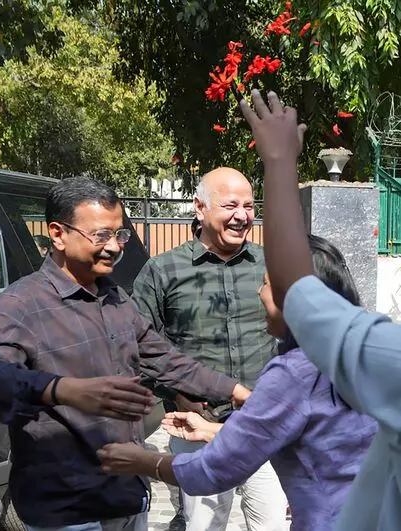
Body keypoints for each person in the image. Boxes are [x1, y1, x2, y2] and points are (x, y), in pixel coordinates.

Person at [0, 177, 250, 531]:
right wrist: (60, 389)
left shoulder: (115, 300)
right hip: (67, 509)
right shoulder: (23, 303)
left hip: (126, 496)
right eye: (101, 235)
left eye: (120, 234)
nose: (114, 247)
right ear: (58, 234)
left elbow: (168, 362)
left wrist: (237, 392)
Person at [98, 233, 377, 530]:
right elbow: (307, 436)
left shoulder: (294, 372)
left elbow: (212, 470)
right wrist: (212, 430)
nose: (258, 292)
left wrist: (141, 461)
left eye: (266, 283)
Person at [237, 90, 401, 530]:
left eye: (266, 283)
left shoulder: (386, 356)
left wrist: (278, 161)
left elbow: (297, 288)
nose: (261, 292)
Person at [132, 167, 287, 531]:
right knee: (204, 525)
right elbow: (138, 345)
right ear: (199, 208)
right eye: (230, 205)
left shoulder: (271, 265)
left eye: (249, 206)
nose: (242, 216)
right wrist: (176, 392)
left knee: (273, 525)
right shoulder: (163, 271)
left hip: (262, 423)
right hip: (198, 429)